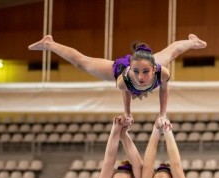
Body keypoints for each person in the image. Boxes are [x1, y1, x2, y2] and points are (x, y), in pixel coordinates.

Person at [28, 34, 207, 118]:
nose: (141, 77)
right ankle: (49, 43)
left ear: (154, 69)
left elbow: (164, 92)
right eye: (137, 72)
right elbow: (127, 92)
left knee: (173, 52)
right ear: (131, 69)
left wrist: (162, 114)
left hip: (145, 60)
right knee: (81, 62)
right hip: (119, 69)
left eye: (145, 72)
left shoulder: (162, 72)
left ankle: (193, 40)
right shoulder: (124, 81)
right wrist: (127, 113)